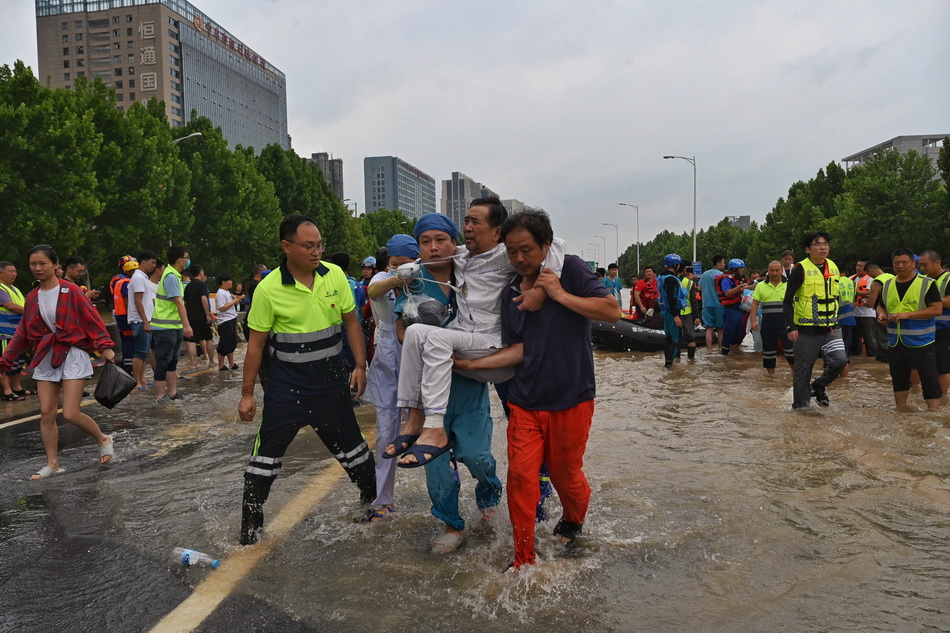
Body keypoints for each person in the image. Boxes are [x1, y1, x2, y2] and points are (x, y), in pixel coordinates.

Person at [453, 209, 621, 577]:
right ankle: (523, 557)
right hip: (526, 400)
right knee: (522, 477)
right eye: (511, 251)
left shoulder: (570, 270)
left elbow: (611, 310)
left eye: (527, 250)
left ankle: (573, 520)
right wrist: (471, 366)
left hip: (572, 396)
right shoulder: (511, 289)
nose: (518, 259)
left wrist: (558, 293)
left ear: (546, 246)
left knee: (565, 474)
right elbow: (520, 348)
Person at [388, 198, 562, 465]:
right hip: (465, 338)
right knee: (415, 333)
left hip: (494, 344)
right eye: (466, 220)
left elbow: (556, 244)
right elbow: (432, 251)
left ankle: (436, 428)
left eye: (475, 221)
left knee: (519, 422)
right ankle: (414, 419)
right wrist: (401, 276)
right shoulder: (458, 255)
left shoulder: (507, 255)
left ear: (496, 231)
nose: (467, 226)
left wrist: (541, 289)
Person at [237, 214, 375, 545]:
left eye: (319, 245)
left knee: (357, 456)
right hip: (287, 390)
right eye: (308, 246)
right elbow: (255, 346)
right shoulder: (268, 289)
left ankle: (373, 508)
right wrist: (247, 394)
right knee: (263, 464)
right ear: (287, 247)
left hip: (331, 386)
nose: (316, 252)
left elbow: (352, 324)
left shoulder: (335, 276)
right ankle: (249, 531)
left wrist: (360, 365)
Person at [393, 216, 505, 552]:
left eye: (441, 239)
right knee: (437, 464)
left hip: (469, 380)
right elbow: (402, 328)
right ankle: (452, 525)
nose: (433, 247)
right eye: (425, 241)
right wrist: (424, 350)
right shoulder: (413, 280)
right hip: (430, 384)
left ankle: (489, 496)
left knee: (475, 454)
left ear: (454, 241)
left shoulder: (469, 271)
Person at [0, 245, 116, 479]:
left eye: (43, 263)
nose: (37, 268)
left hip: (72, 353)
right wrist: (6, 359)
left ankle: (103, 439)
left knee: (71, 413)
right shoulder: (32, 297)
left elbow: (91, 319)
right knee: (46, 413)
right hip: (46, 356)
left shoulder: (71, 290)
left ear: (55, 265)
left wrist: (104, 347)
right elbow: (23, 332)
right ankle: (52, 463)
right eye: (33, 264)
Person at [363, 240, 414, 523]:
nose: (400, 266)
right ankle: (383, 501)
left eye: (406, 261)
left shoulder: (425, 278)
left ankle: (448, 503)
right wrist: (398, 277)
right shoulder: (383, 279)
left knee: (434, 428)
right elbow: (373, 290)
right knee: (385, 432)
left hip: (418, 356)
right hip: (386, 360)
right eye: (395, 262)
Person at [784, 231, 847, 409]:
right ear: (807, 249)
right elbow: (787, 301)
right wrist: (791, 327)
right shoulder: (799, 269)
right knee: (803, 370)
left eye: (825, 243)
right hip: (805, 330)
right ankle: (801, 408)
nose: (822, 247)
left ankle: (819, 385)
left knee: (840, 361)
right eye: (817, 244)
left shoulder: (833, 267)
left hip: (831, 328)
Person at [876, 248, 943, 411]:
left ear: (914, 264)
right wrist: (881, 316)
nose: (900, 266)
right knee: (898, 378)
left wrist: (908, 315)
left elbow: (936, 309)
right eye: (896, 263)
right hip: (895, 341)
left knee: (929, 378)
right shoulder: (887, 284)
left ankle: (933, 414)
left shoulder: (927, 284)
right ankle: (901, 410)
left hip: (922, 341)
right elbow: (880, 306)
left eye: (904, 262)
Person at [150, 245, 194, 403]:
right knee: (163, 361)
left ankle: (173, 393)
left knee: (172, 361)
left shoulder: (174, 274)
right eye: (186, 257)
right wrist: (187, 325)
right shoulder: (171, 276)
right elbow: (178, 303)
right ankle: (161, 395)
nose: (188, 260)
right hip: (165, 327)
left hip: (173, 326)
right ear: (179, 259)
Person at [750, 260, 793, 374]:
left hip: (786, 323)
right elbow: (755, 303)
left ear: (782, 271)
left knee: (791, 352)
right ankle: (770, 379)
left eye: (777, 270)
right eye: (772, 270)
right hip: (768, 324)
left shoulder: (789, 284)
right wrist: (753, 321)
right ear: (768, 271)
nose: (774, 273)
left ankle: (796, 376)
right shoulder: (760, 286)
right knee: (768, 353)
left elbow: (797, 303)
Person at [917, 250, 950, 396]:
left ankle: (941, 398)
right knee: (921, 364)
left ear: (937, 262)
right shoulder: (922, 279)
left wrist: (930, 299)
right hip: (924, 328)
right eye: (920, 266)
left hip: (944, 329)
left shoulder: (948, 279)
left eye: (925, 265)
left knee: (942, 366)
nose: (922, 269)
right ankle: (918, 392)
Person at [0, 261, 30, 400]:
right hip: (4, 333)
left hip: (18, 332)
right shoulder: (1, 289)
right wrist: (31, 311)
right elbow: (10, 306)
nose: (14, 274)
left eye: (15, 271)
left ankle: (17, 387)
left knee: (18, 362)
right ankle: (7, 391)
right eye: (10, 271)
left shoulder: (15, 289)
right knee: (5, 362)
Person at [127, 251, 157, 389]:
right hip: (140, 320)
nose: (154, 266)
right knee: (140, 352)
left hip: (145, 319)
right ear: (143, 262)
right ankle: (136, 381)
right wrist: (145, 321)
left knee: (144, 352)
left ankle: (142, 380)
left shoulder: (142, 277)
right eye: (152, 262)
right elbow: (138, 301)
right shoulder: (138, 278)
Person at [656, 254, 690, 368]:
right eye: (679, 264)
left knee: (669, 339)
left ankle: (668, 365)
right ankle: (669, 366)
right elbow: (671, 297)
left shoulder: (662, 277)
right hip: (672, 313)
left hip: (665, 312)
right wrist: (676, 316)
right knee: (676, 341)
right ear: (675, 265)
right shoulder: (671, 279)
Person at [183, 264, 216, 370]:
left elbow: (185, 304)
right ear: (200, 272)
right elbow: (204, 299)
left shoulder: (188, 286)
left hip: (191, 317)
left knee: (192, 341)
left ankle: (193, 364)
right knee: (208, 339)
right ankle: (211, 361)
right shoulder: (202, 285)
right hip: (202, 316)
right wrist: (207, 314)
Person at [716, 259, 750, 355]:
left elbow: (742, 290)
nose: (743, 270)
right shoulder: (726, 280)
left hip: (739, 309)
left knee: (738, 333)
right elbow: (727, 293)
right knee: (729, 332)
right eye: (741, 268)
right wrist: (739, 287)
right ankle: (725, 354)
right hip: (730, 309)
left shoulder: (740, 279)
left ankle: (735, 353)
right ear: (734, 269)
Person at [111, 258, 138, 374]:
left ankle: (126, 364)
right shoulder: (126, 282)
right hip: (126, 316)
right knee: (130, 342)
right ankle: (129, 368)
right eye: (134, 271)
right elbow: (127, 301)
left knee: (126, 341)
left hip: (119, 315)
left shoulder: (117, 281)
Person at [865, 262, 894, 362]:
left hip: (882, 312)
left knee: (882, 336)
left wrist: (865, 302)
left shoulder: (877, 282)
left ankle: (884, 357)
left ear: (870, 270)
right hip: (895, 311)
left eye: (868, 274)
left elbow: (871, 304)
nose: (870, 277)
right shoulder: (892, 277)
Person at [214, 273, 243, 371]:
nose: (231, 282)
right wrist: (234, 302)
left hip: (231, 318)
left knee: (231, 343)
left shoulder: (226, 292)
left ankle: (231, 364)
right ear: (223, 282)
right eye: (229, 280)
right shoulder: (221, 293)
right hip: (225, 321)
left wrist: (235, 299)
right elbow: (221, 308)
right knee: (224, 343)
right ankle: (221, 365)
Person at [699, 255, 726, 351]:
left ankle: (709, 350)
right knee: (721, 330)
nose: (724, 264)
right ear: (718, 263)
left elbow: (699, 288)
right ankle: (721, 349)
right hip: (720, 305)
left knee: (709, 329)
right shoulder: (723, 275)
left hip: (707, 305)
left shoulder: (705, 275)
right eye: (723, 262)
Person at [851, 260, 877, 357]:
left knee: (870, 340)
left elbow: (872, 292)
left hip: (867, 314)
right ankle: (856, 360)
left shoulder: (871, 279)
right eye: (857, 265)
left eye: (861, 266)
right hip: (853, 314)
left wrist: (855, 292)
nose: (858, 268)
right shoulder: (851, 278)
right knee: (854, 341)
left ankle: (873, 358)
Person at [678, 264, 701, 360]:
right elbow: (693, 300)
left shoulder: (668, 280)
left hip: (674, 314)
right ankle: (691, 361)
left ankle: (676, 361)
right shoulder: (689, 283)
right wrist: (697, 316)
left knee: (675, 338)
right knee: (691, 338)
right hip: (687, 313)